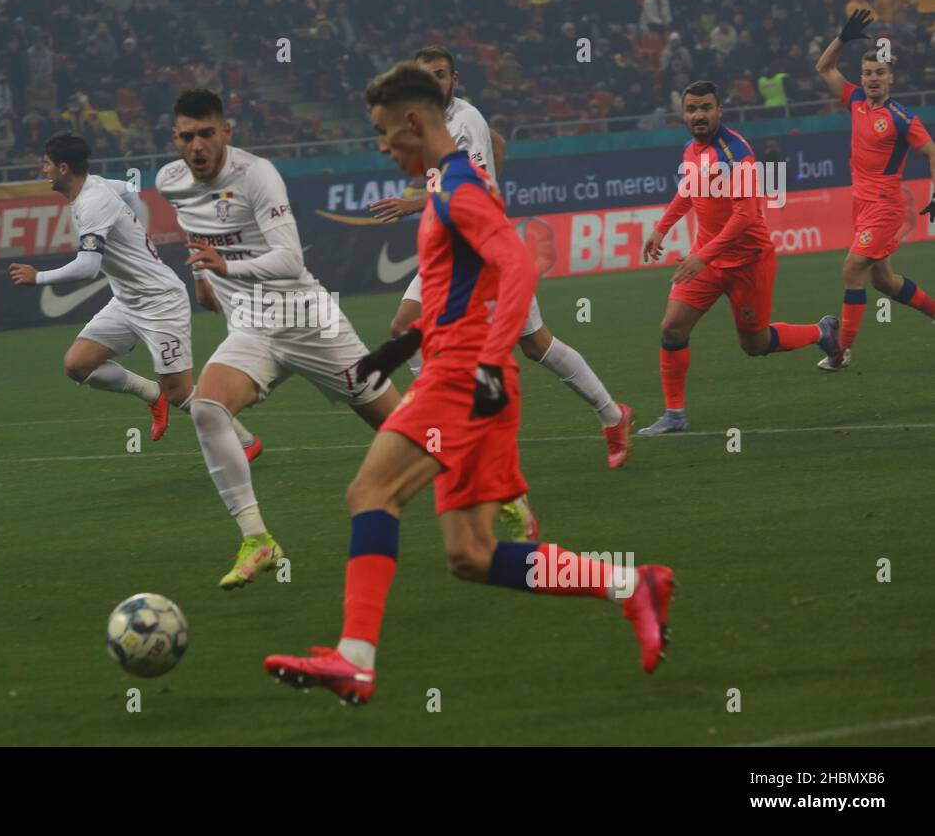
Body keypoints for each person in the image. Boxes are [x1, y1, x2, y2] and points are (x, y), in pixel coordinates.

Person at [264, 64, 673, 705]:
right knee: (472, 555)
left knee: (371, 492)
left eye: (382, 132)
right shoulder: (450, 185)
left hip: (461, 382)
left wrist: (482, 362)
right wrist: (401, 346)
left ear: (414, 122)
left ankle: (355, 659)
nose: (380, 147)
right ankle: (631, 584)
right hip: (470, 378)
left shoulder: (459, 188)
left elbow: (516, 267)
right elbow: (467, 289)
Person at [156, 89, 402, 589]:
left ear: (226, 132)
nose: (198, 145)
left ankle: (494, 486)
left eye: (207, 133)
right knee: (206, 409)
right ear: (175, 139)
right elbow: (192, 223)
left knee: (402, 429)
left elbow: (290, 260)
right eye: (187, 136)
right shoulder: (169, 181)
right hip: (250, 325)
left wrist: (226, 266)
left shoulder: (257, 176)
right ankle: (257, 539)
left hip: (305, 317)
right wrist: (205, 278)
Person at [371, 46, 633, 471]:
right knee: (403, 326)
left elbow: (466, 186)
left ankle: (612, 415)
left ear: (454, 81)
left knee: (535, 344)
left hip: (484, 251)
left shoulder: (464, 119)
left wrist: (412, 203)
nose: (433, 82)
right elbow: (498, 144)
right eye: (425, 76)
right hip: (447, 249)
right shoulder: (423, 122)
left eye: (441, 74)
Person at [8, 133, 259, 453]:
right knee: (77, 365)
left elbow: (87, 266)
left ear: (64, 168)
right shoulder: (96, 185)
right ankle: (153, 396)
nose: (42, 170)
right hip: (127, 300)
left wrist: (38, 277)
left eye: (46, 164)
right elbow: (129, 189)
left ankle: (245, 441)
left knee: (180, 392)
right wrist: (139, 232)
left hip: (161, 302)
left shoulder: (92, 202)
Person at [637, 81, 837, 435]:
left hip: (748, 263)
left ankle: (819, 332)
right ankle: (674, 415)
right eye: (692, 109)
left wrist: (703, 256)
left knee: (755, 345)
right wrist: (661, 228)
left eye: (706, 108)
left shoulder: (735, 154)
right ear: (683, 113)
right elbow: (688, 191)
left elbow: (746, 216)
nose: (699, 115)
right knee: (671, 327)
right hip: (707, 260)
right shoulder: (690, 150)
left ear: (719, 111)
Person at [812, 10, 935, 370]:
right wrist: (843, 38)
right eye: (867, 73)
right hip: (861, 205)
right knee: (883, 281)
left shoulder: (900, 118)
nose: (872, 79)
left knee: (852, 269)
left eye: (879, 73)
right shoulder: (854, 102)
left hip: (885, 205)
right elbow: (824, 68)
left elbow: (931, 151)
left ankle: (841, 351)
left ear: (891, 78)